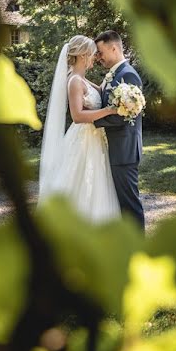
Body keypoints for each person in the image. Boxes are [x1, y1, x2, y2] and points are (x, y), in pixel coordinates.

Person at [37, 35, 121, 223]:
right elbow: (77, 116)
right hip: (83, 139)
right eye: (93, 54)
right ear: (83, 55)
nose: (95, 58)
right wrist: (108, 111)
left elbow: (100, 92)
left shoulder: (83, 79)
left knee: (96, 184)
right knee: (80, 183)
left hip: (95, 139)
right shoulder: (74, 81)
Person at [93, 30, 145, 232]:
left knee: (129, 204)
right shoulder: (114, 74)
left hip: (124, 150)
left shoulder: (128, 74)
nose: (98, 57)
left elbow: (122, 116)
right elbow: (105, 99)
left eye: (100, 51)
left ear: (113, 47)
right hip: (116, 148)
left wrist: (91, 121)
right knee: (120, 203)